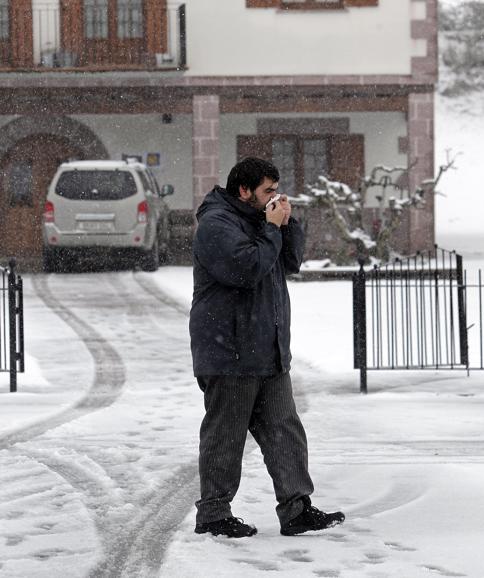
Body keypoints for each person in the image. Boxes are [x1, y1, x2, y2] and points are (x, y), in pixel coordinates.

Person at [189, 157, 345, 538]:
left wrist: (286, 225)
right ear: (244, 191)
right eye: (268, 191)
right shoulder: (216, 225)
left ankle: (296, 509)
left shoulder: (261, 221)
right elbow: (246, 269)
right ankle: (213, 514)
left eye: (276, 190)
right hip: (230, 352)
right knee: (226, 436)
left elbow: (290, 262)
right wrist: (271, 229)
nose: (275, 198)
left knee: (285, 431)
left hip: (269, 350)